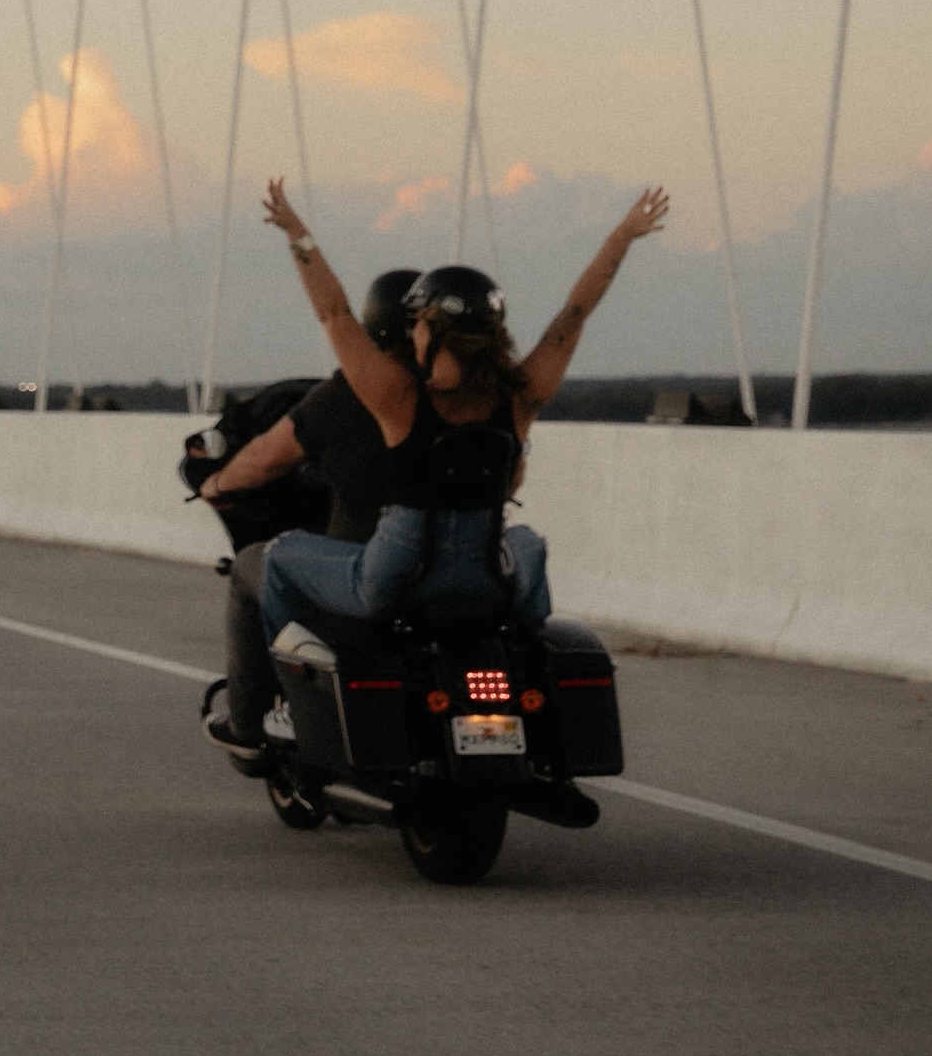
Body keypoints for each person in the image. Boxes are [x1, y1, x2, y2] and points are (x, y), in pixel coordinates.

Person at [256, 175, 670, 650]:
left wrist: (297, 233)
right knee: (528, 543)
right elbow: (574, 315)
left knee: (281, 555)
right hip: (484, 578)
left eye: (418, 325)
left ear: (433, 334)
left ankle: (285, 706)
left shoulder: (398, 397)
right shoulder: (518, 397)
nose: (412, 334)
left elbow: (335, 314)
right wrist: (622, 236)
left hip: (394, 579)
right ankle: (527, 647)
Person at [200, 270, 420, 756]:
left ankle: (255, 718)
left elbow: (264, 459)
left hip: (360, 569)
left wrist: (215, 483)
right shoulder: (464, 398)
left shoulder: (350, 395)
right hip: (453, 574)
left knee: (254, 568)